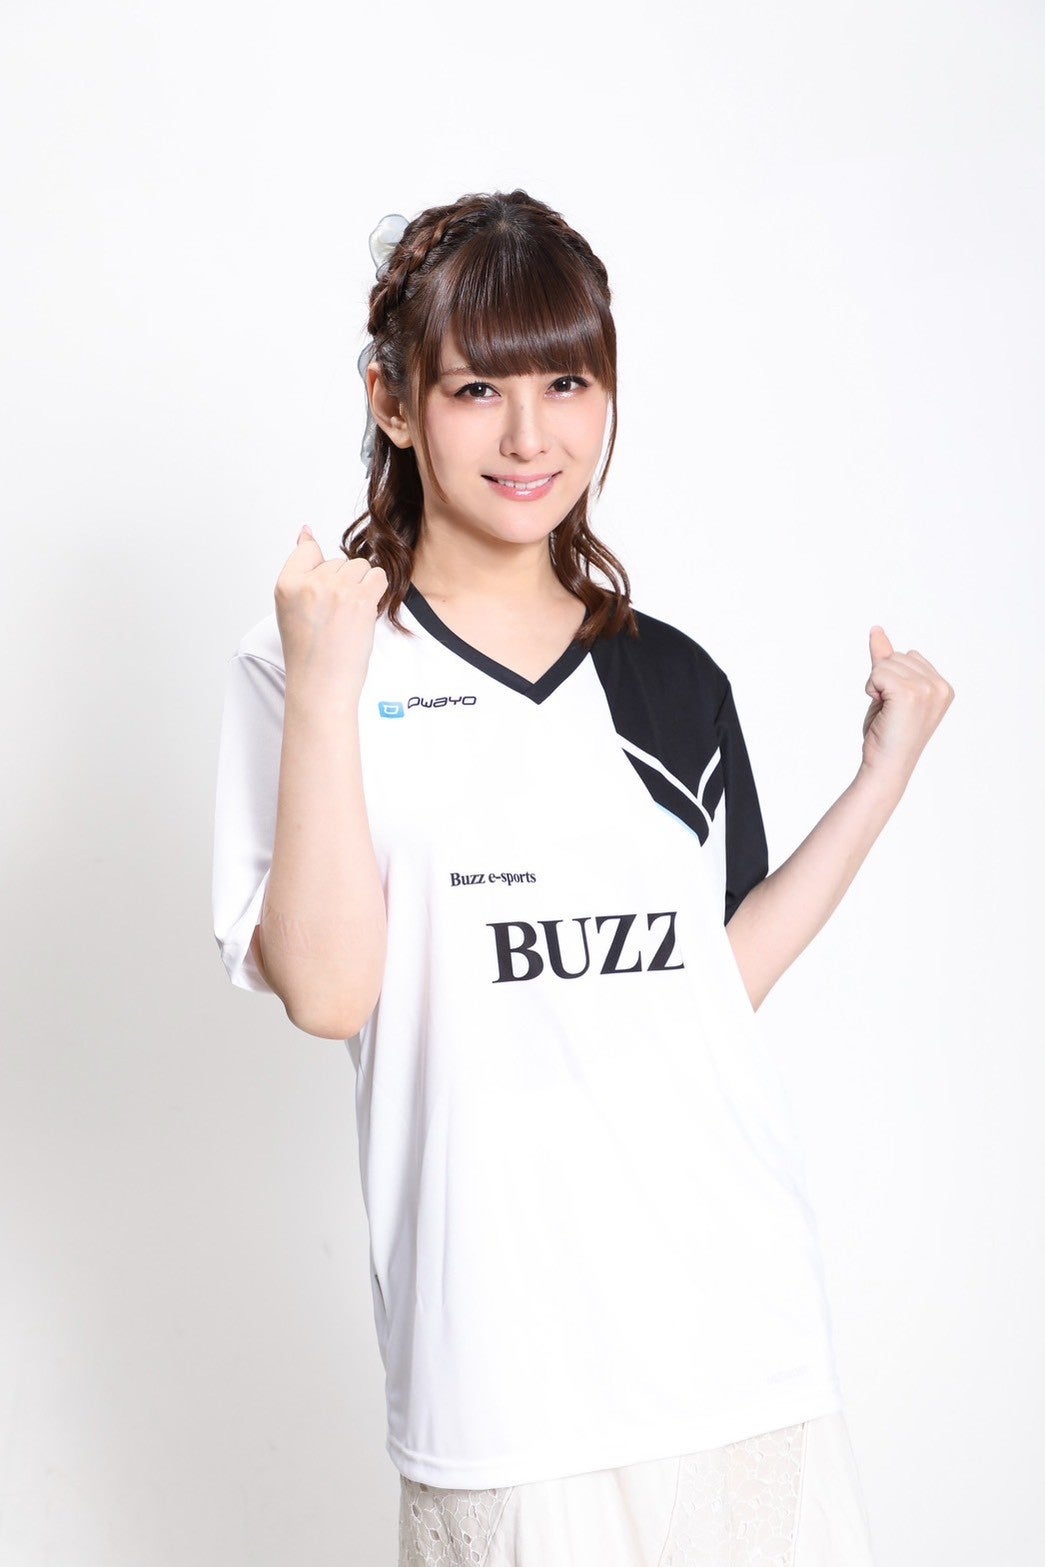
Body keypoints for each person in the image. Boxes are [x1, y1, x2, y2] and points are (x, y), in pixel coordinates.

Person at [211, 189, 954, 1566]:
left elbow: (707, 988)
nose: (530, 435)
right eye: (476, 388)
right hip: (502, 1379)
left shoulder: (667, 679)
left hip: (734, 1334)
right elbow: (328, 992)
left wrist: (882, 775)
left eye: (567, 382)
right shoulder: (309, 664)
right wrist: (325, 679)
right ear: (392, 403)